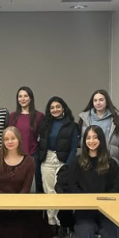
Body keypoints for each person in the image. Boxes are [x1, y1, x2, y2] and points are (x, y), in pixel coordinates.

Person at [0, 127, 52, 238]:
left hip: (21, 204)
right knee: (6, 226)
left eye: (13, 138)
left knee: (38, 224)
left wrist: (16, 204)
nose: (10, 142)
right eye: (6, 139)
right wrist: (7, 201)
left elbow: (26, 189)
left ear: (19, 140)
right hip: (0, 205)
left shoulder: (29, 161)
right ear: (3, 142)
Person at [68, 125, 119, 238]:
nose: (92, 141)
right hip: (85, 210)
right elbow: (72, 186)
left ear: (101, 140)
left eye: (95, 137)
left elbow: (117, 188)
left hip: (106, 210)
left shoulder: (111, 163)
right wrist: (87, 201)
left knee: (111, 226)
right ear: (84, 141)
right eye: (88, 138)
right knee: (86, 226)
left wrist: (103, 202)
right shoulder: (77, 162)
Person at [38, 96, 79, 226]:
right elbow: (40, 143)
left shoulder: (72, 125)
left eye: (58, 107)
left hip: (64, 160)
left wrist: (67, 166)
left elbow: (73, 148)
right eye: (52, 107)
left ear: (63, 108)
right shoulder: (45, 125)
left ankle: (61, 221)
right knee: (49, 191)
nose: (55, 109)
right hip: (48, 159)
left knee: (60, 191)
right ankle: (51, 222)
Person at [9, 86, 44, 193]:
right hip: (15, 156)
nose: (22, 99)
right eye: (20, 96)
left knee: (34, 185)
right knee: (16, 185)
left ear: (31, 98)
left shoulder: (39, 116)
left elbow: (42, 137)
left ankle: (35, 209)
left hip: (33, 155)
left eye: (25, 96)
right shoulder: (12, 116)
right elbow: (9, 137)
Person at [78, 89, 119, 164]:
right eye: (95, 100)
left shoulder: (116, 118)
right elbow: (81, 139)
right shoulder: (85, 118)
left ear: (107, 102)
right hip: (90, 161)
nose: (98, 103)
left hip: (110, 160)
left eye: (101, 100)